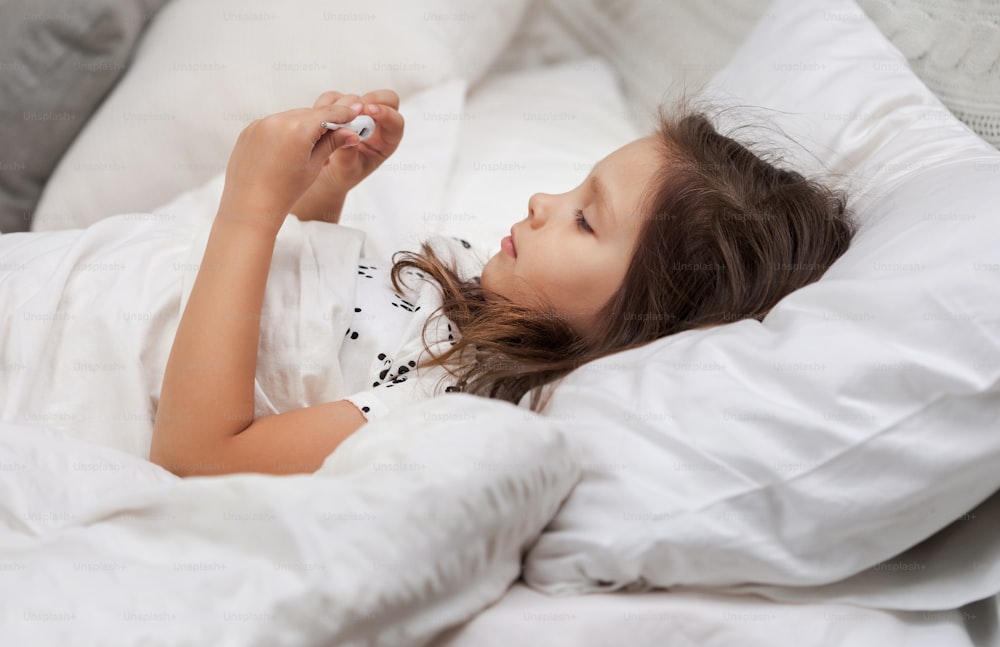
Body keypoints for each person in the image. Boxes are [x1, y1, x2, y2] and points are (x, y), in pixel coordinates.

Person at [148, 89, 855, 478]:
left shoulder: (445, 399)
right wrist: (324, 196)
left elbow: (201, 456)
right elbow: (300, 323)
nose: (544, 202)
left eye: (584, 219)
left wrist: (248, 212)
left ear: (639, 323)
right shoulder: (467, 277)